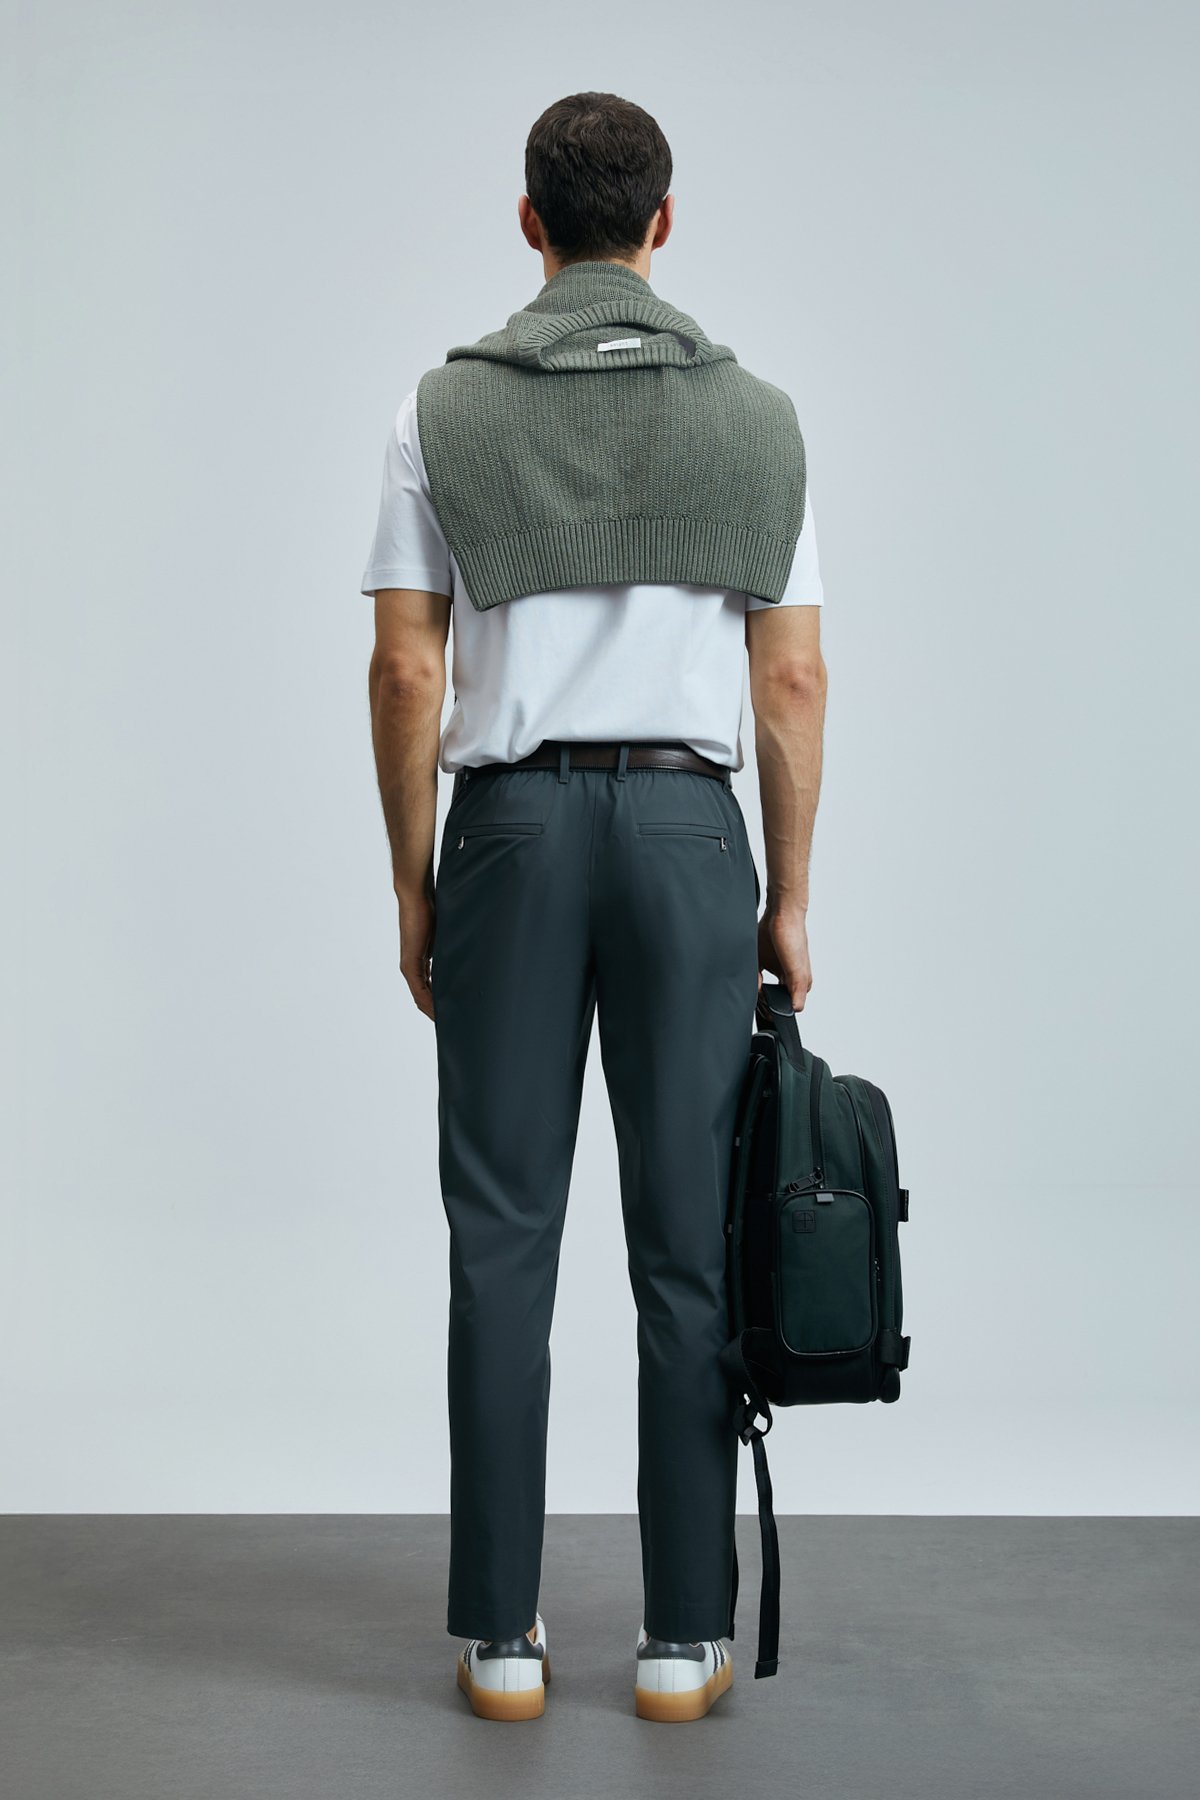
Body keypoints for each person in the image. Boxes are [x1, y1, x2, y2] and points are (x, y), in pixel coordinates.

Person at [360, 91, 826, 1724]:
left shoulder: (442, 409)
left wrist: (413, 879)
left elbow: (407, 664)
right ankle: (684, 1640)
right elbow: (791, 680)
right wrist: (790, 896)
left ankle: (501, 1639)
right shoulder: (758, 421)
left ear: (530, 222)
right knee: (690, 1243)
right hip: (691, 838)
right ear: (663, 223)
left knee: (502, 1239)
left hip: (510, 834)